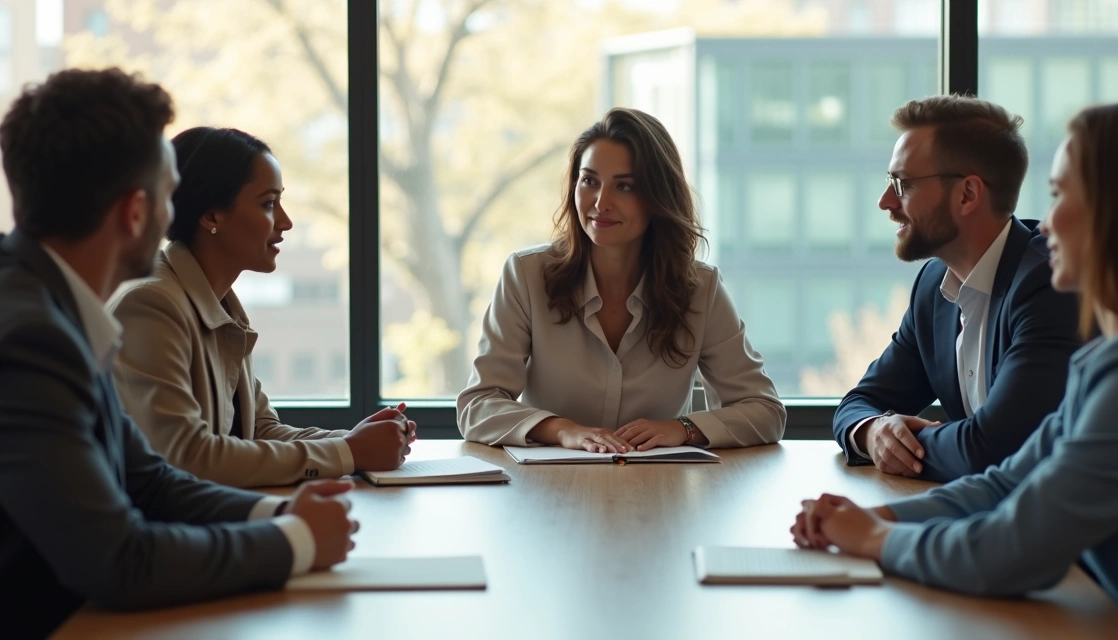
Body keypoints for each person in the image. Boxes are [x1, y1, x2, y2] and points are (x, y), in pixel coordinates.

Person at [793, 100, 1118, 640]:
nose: (1048, 219)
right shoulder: (1114, 360)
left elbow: (1016, 551)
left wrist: (873, 541)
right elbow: (1005, 484)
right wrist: (877, 518)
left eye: (1062, 194)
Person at [0, 68, 358, 638]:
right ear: (136, 212)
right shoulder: (29, 337)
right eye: (171, 196)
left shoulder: (51, 310)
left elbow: (150, 480)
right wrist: (294, 540)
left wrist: (279, 514)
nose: (178, 218)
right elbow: (120, 560)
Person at [458, 107, 785, 452]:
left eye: (625, 186)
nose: (601, 202)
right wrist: (562, 430)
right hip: (549, 491)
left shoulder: (699, 289)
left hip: (659, 493)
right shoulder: (526, 276)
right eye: (589, 181)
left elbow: (765, 411)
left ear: (658, 197)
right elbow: (477, 405)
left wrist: (682, 429)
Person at [108, 126, 415, 488]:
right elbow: (188, 457)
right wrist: (350, 450)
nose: (285, 222)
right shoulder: (152, 305)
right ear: (211, 216)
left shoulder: (220, 305)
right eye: (268, 204)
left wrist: (360, 439)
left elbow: (260, 432)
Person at [832, 95, 1081, 482]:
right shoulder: (933, 287)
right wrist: (874, 431)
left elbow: (991, 450)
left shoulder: (1047, 285)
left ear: (967, 194)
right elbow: (860, 403)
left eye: (902, 184)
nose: (885, 202)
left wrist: (908, 443)